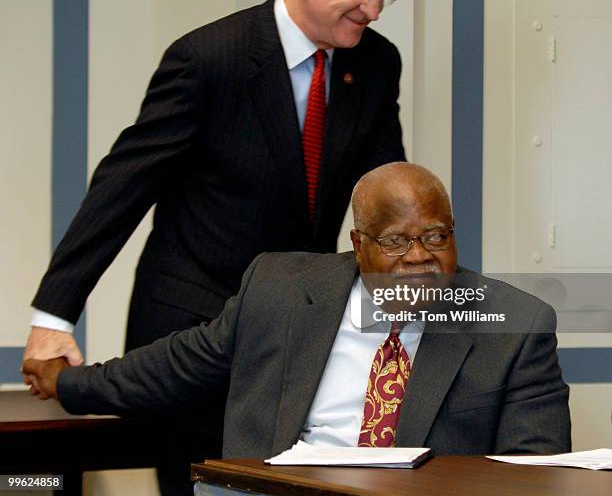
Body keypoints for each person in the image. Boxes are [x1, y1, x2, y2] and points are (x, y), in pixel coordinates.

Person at [24, 163, 572, 484]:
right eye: (395, 241)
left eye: (436, 236)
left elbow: (534, 475)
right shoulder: (281, 288)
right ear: (357, 246)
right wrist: (68, 382)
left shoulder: (515, 325)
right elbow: (179, 364)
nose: (420, 258)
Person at [24, 0, 404, 365]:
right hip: (187, 327)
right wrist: (53, 316)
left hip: (294, 327)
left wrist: (412, 299)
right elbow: (123, 186)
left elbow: (387, 196)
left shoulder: (376, 63)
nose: (373, 10)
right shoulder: (209, 58)